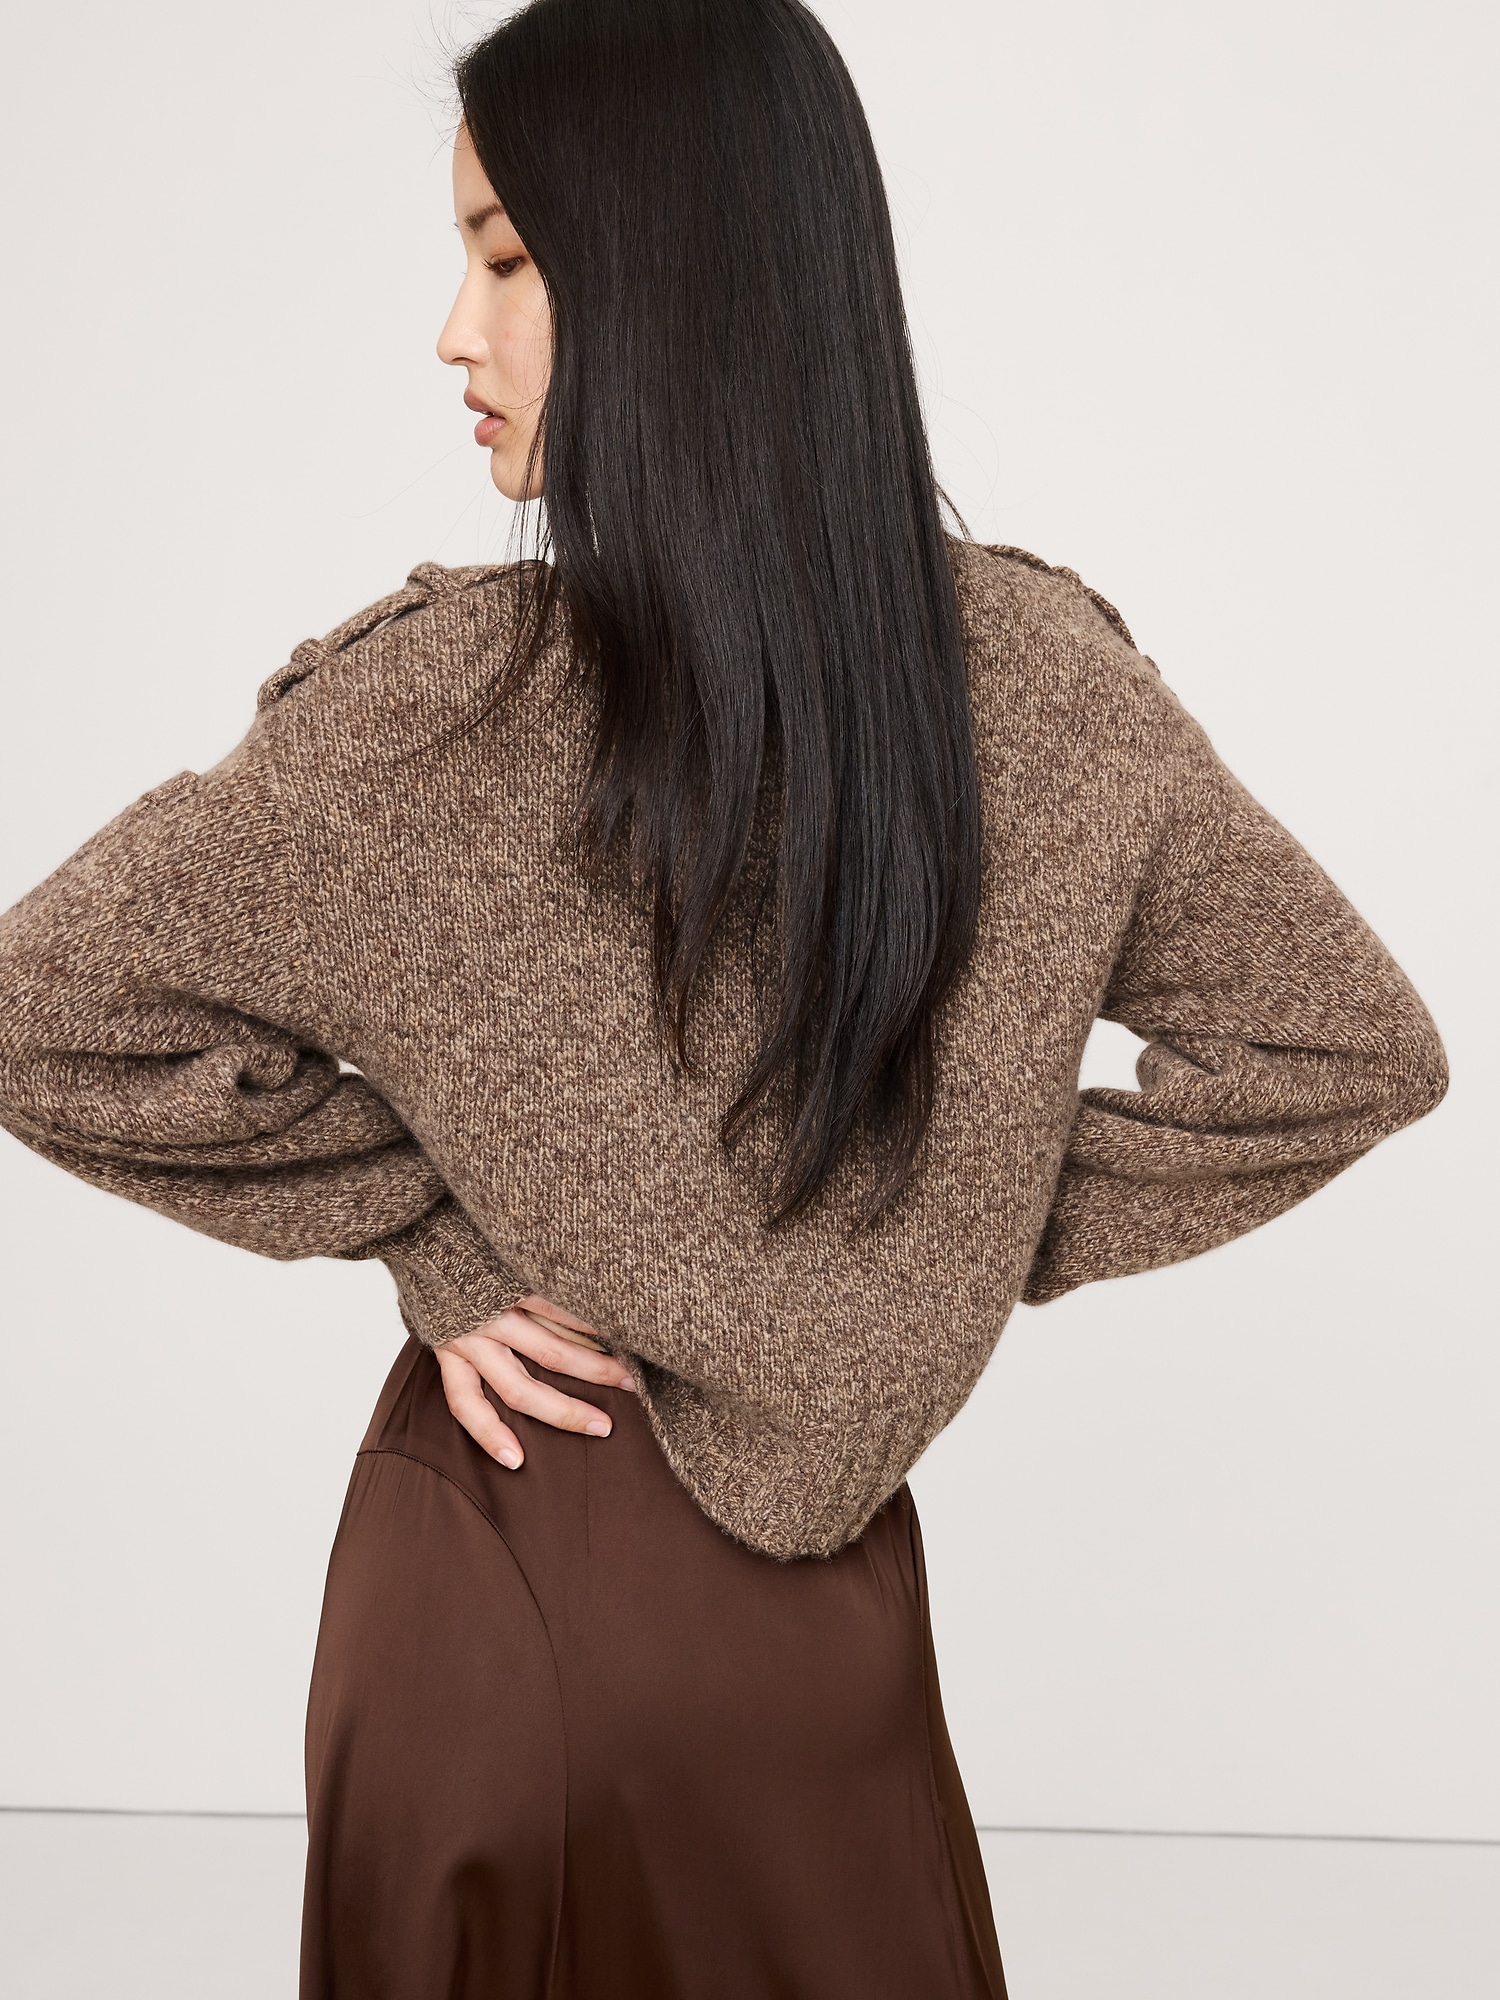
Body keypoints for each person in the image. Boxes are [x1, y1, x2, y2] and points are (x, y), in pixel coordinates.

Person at [0, 0, 1447, 1994]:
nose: (452, 333)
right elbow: (1340, 1052)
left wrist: (435, 1227)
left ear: (667, 279)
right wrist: (932, 1216)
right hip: (822, 1615)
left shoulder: (435, 710)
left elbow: (38, 1007)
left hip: (512, 1538)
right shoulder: (1046, 689)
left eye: (510, 260)